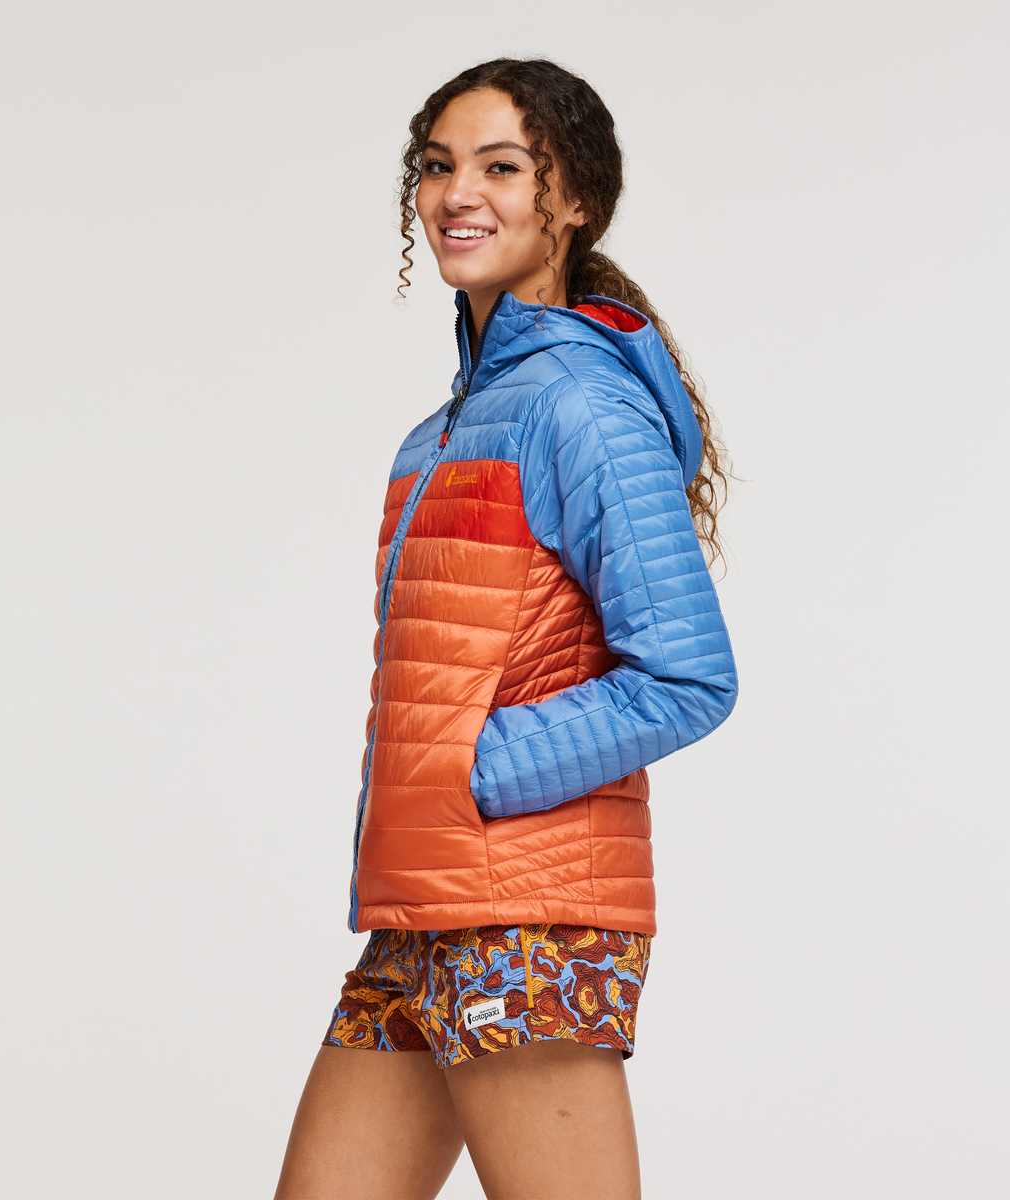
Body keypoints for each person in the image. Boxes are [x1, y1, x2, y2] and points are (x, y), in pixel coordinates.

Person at [275, 57, 738, 1200]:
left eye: (500, 167)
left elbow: (689, 675)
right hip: (426, 910)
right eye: (438, 167)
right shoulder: (444, 431)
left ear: (569, 200)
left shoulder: (583, 403)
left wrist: (471, 770)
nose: (457, 193)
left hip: (529, 917)